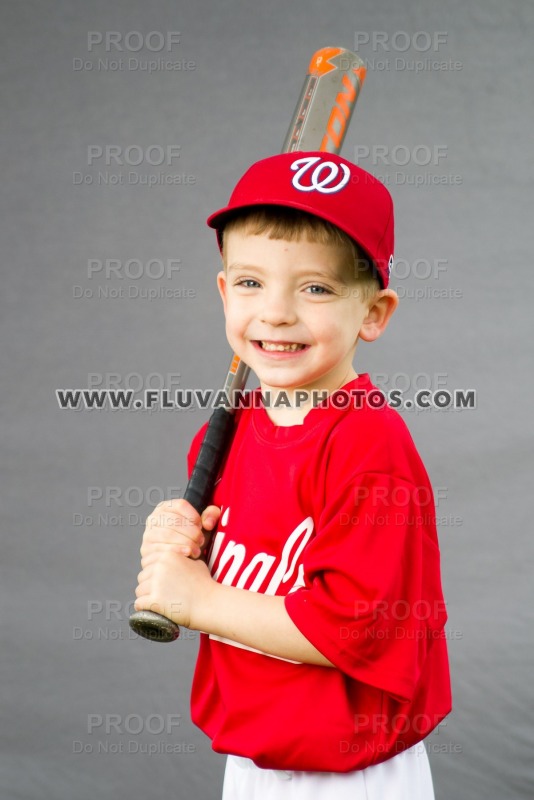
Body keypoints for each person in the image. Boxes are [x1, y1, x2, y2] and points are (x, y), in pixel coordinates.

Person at [134, 151, 452, 800]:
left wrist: (198, 599)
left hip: (355, 769)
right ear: (224, 292)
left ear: (374, 313)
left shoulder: (367, 444)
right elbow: (236, 575)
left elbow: (352, 628)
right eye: (251, 282)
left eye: (316, 288)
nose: (276, 313)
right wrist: (183, 545)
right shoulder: (222, 437)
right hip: (255, 757)